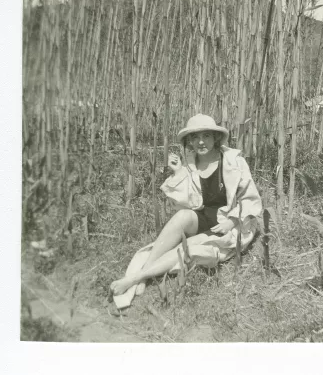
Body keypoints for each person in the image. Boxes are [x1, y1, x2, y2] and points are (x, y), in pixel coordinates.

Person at [110, 114, 262, 296]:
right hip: (202, 219)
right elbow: (187, 203)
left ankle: (135, 278)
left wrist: (231, 221)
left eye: (206, 136)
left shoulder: (234, 162)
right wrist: (179, 172)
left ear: (215, 137)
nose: (201, 142)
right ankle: (145, 272)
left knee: (186, 247)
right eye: (195, 137)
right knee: (181, 216)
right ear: (189, 141)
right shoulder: (190, 164)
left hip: (228, 224)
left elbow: (249, 198)